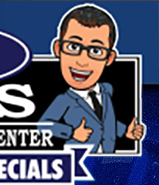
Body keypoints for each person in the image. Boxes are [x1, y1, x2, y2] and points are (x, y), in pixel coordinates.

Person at [40, 4, 145, 152]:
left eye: (96, 50)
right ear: (58, 49)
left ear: (109, 58)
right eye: (73, 47)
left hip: (106, 158)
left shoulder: (105, 92)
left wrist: (125, 131)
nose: (82, 61)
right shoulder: (64, 100)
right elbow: (43, 125)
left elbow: (105, 122)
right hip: (76, 160)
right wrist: (72, 133)